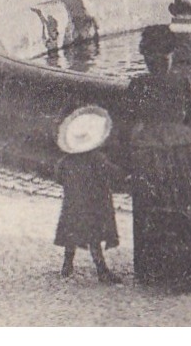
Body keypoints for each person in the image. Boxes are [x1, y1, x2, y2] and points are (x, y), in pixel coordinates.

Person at [118, 26, 191, 291]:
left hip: (149, 152)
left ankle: (157, 268)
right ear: (171, 55)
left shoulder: (138, 85)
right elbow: (189, 116)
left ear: (144, 57)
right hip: (181, 151)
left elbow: (128, 120)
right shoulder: (180, 82)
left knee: (153, 206)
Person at [53, 105, 123, 283]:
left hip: (73, 203)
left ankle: (67, 266)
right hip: (94, 203)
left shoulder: (65, 161)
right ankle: (102, 270)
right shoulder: (97, 158)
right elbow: (112, 173)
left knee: (71, 234)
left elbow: (58, 177)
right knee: (94, 238)